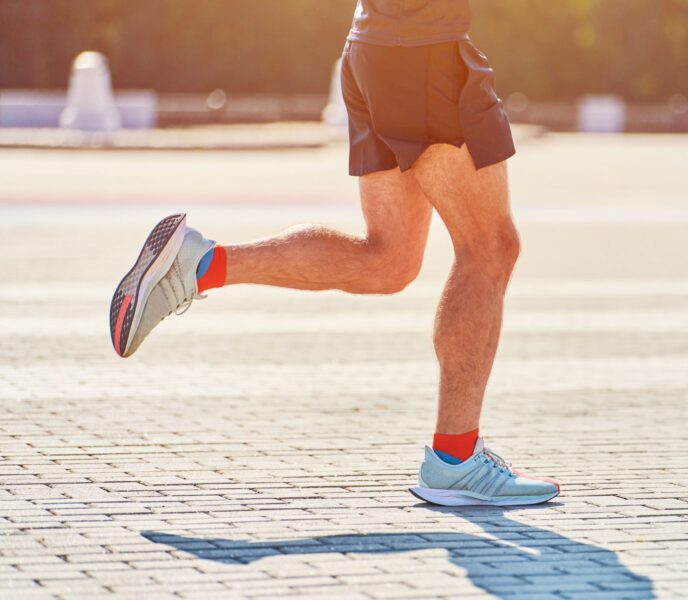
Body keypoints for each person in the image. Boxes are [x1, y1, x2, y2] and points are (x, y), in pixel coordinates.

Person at [110, 0, 560, 507]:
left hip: (376, 50)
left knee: (389, 259)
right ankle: (455, 459)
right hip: (425, 52)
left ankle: (198, 266)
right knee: (489, 248)